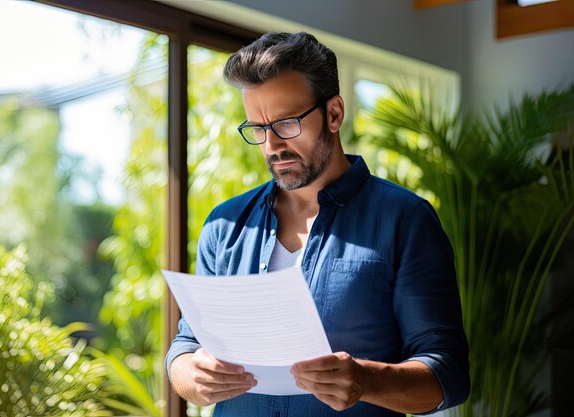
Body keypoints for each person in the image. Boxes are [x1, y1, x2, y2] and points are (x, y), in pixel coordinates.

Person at [165, 32, 470, 417]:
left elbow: (449, 375)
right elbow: (185, 347)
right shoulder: (223, 227)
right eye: (258, 129)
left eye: (286, 124)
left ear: (334, 113)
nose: (272, 145)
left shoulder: (405, 220)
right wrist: (194, 376)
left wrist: (367, 381)